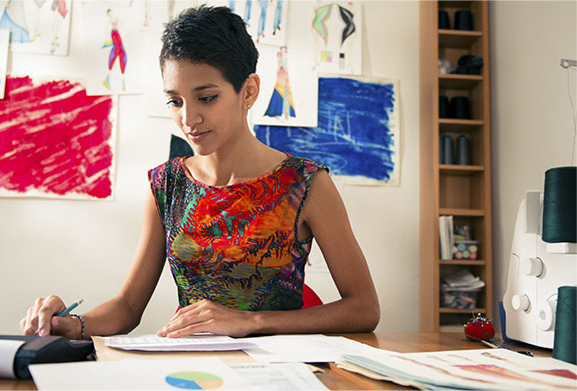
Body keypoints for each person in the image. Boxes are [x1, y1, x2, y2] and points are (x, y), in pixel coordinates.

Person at [20, 5, 380, 340]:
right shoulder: (166, 186)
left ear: (249, 91)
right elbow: (128, 307)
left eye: (206, 97)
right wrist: (68, 324)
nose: (188, 119)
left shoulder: (306, 184)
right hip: (192, 365)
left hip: (280, 371)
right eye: (175, 101)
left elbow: (364, 309)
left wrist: (250, 321)